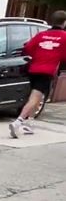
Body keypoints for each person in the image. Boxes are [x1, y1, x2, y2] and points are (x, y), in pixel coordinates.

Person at [9, 10, 66, 138]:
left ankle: (29, 123)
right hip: (46, 71)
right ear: (64, 23)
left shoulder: (41, 35)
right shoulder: (64, 37)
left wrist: (39, 55)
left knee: (38, 97)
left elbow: (28, 48)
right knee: (34, 98)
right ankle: (18, 122)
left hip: (33, 69)